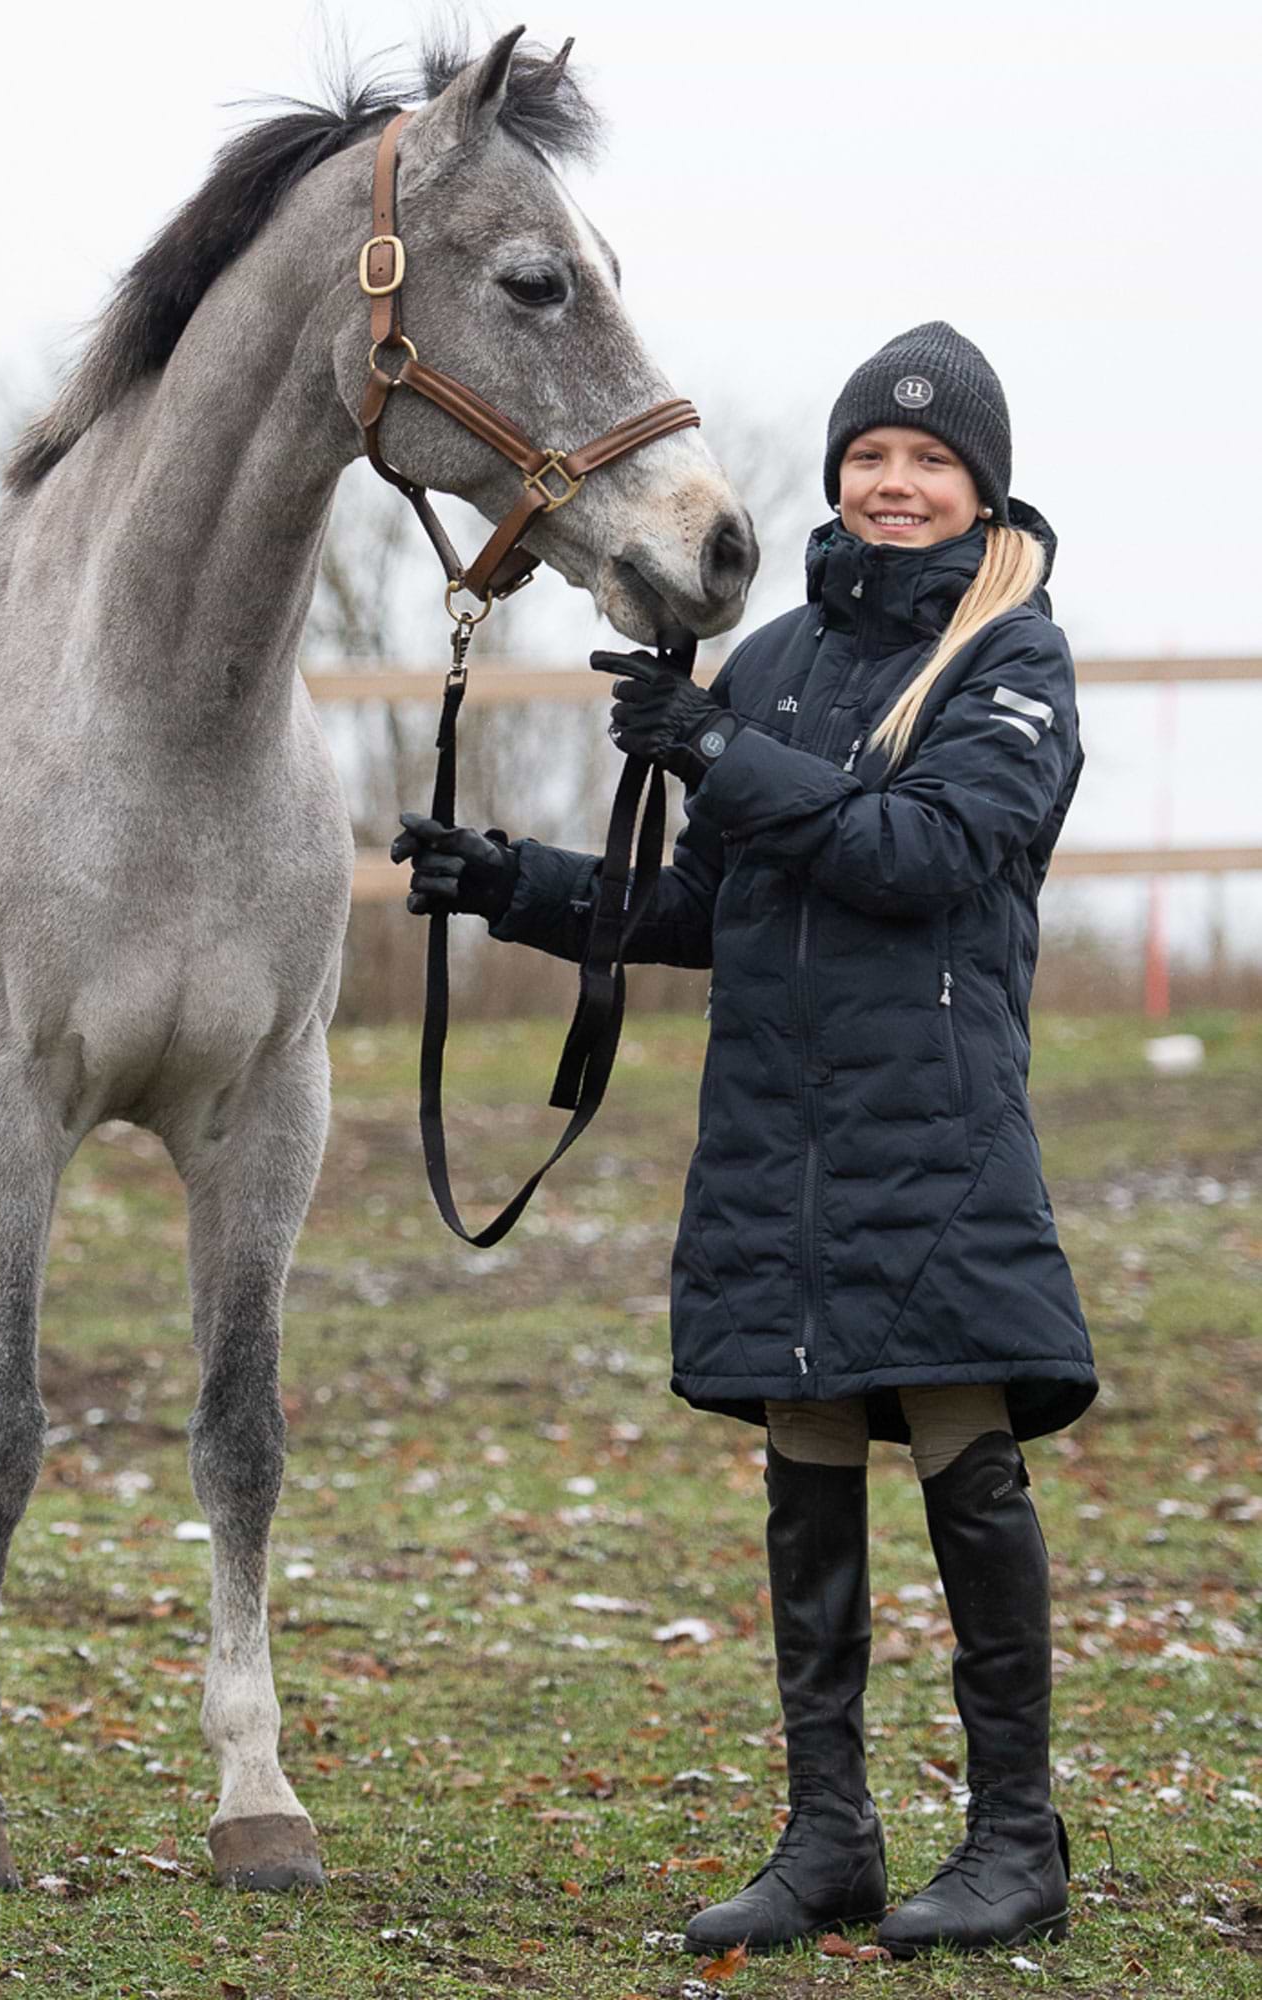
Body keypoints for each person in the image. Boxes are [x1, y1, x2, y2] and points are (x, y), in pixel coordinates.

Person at [391, 322, 1096, 1959]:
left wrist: (721, 749)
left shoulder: (1013, 663)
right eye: (870, 459)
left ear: (980, 488)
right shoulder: (772, 657)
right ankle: (827, 1835)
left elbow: (927, 853)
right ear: (840, 480)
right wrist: (512, 884)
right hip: (777, 1128)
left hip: (930, 1126)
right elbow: (706, 907)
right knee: (805, 1459)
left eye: (928, 463)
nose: (895, 484)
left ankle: (1015, 1840)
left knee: (959, 1442)